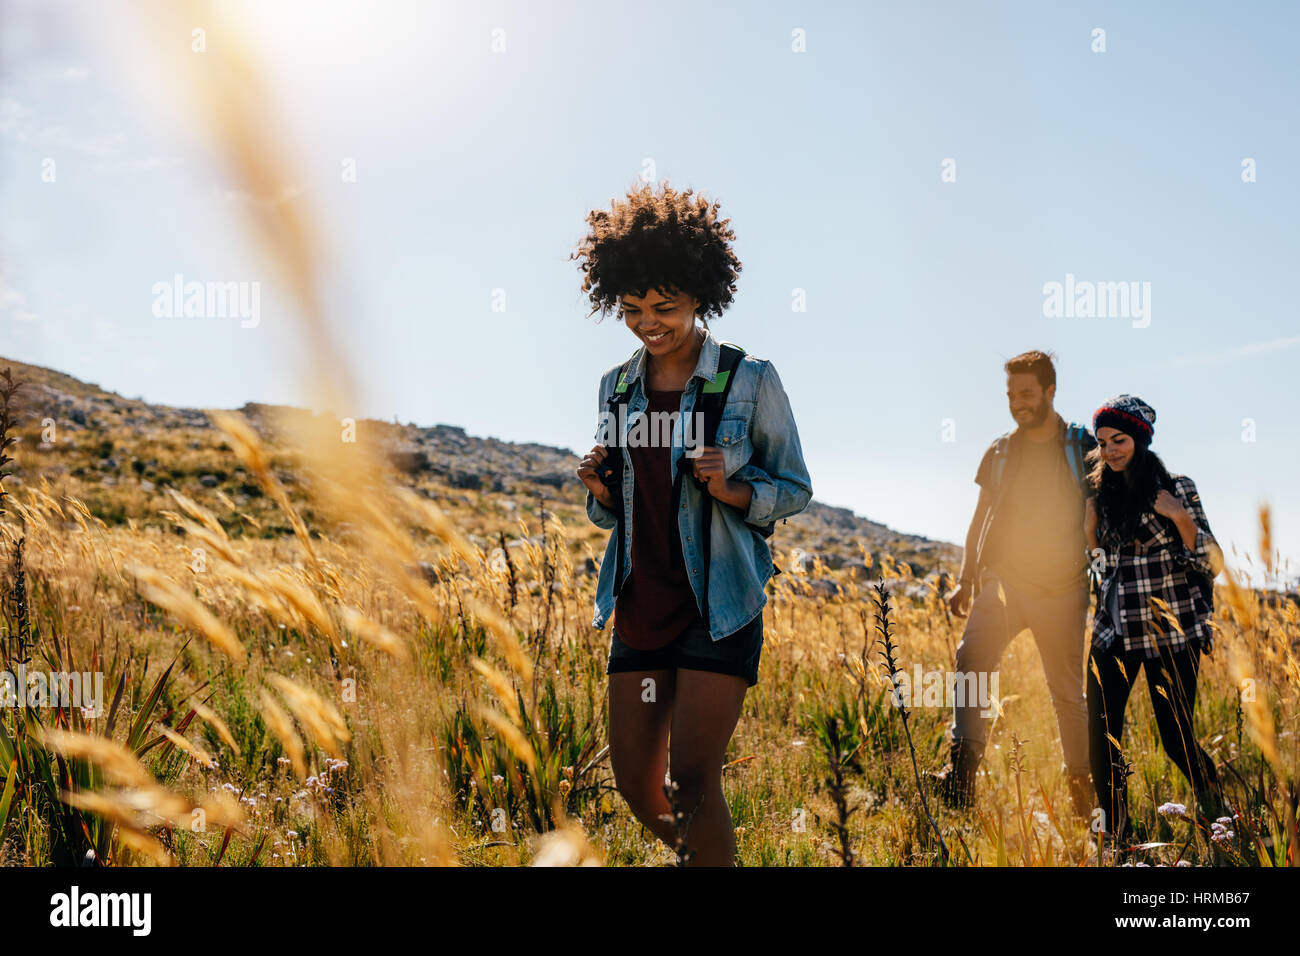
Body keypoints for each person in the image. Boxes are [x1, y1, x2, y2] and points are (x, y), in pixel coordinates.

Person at [571, 180, 812, 865]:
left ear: (700, 296)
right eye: (633, 309)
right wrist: (600, 489)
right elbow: (621, 503)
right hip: (640, 601)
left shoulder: (747, 379)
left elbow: (794, 487)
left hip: (721, 601)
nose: (650, 322)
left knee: (692, 780)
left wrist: (734, 489)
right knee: (634, 786)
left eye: (666, 308)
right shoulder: (615, 386)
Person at [935, 350, 1095, 815]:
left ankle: (1081, 791)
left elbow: (1102, 515)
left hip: (1064, 591)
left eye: (1026, 394)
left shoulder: (1081, 448)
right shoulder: (1001, 450)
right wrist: (966, 581)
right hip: (1003, 585)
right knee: (971, 661)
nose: (1017, 403)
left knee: (1066, 691)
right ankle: (961, 776)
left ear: (1050, 391)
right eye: (1011, 395)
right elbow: (980, 517)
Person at [1084, 394, 1225, 846]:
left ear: (1141, 439)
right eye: (1102, 442)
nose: (1109, 451)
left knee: (1175, 736)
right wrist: (1090, 538)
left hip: (1172, 630)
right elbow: (1098, 570)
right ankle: (1115, 836)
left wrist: (1179, 516)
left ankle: (1219, 814)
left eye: (1119, 440)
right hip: (1114, 631)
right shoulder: (1098, 495)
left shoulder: (1177, 487)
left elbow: (1213, 562)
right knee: (1102, 736)